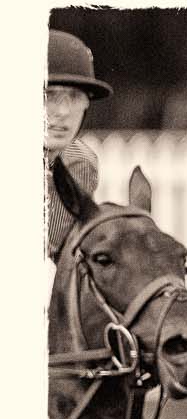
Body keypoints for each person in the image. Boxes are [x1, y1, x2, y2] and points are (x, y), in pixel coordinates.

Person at [46, 29, 109, 257]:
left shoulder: (80, 163)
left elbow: (59, 256)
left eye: (75, 97)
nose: (63, 111)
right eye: (48, 94)